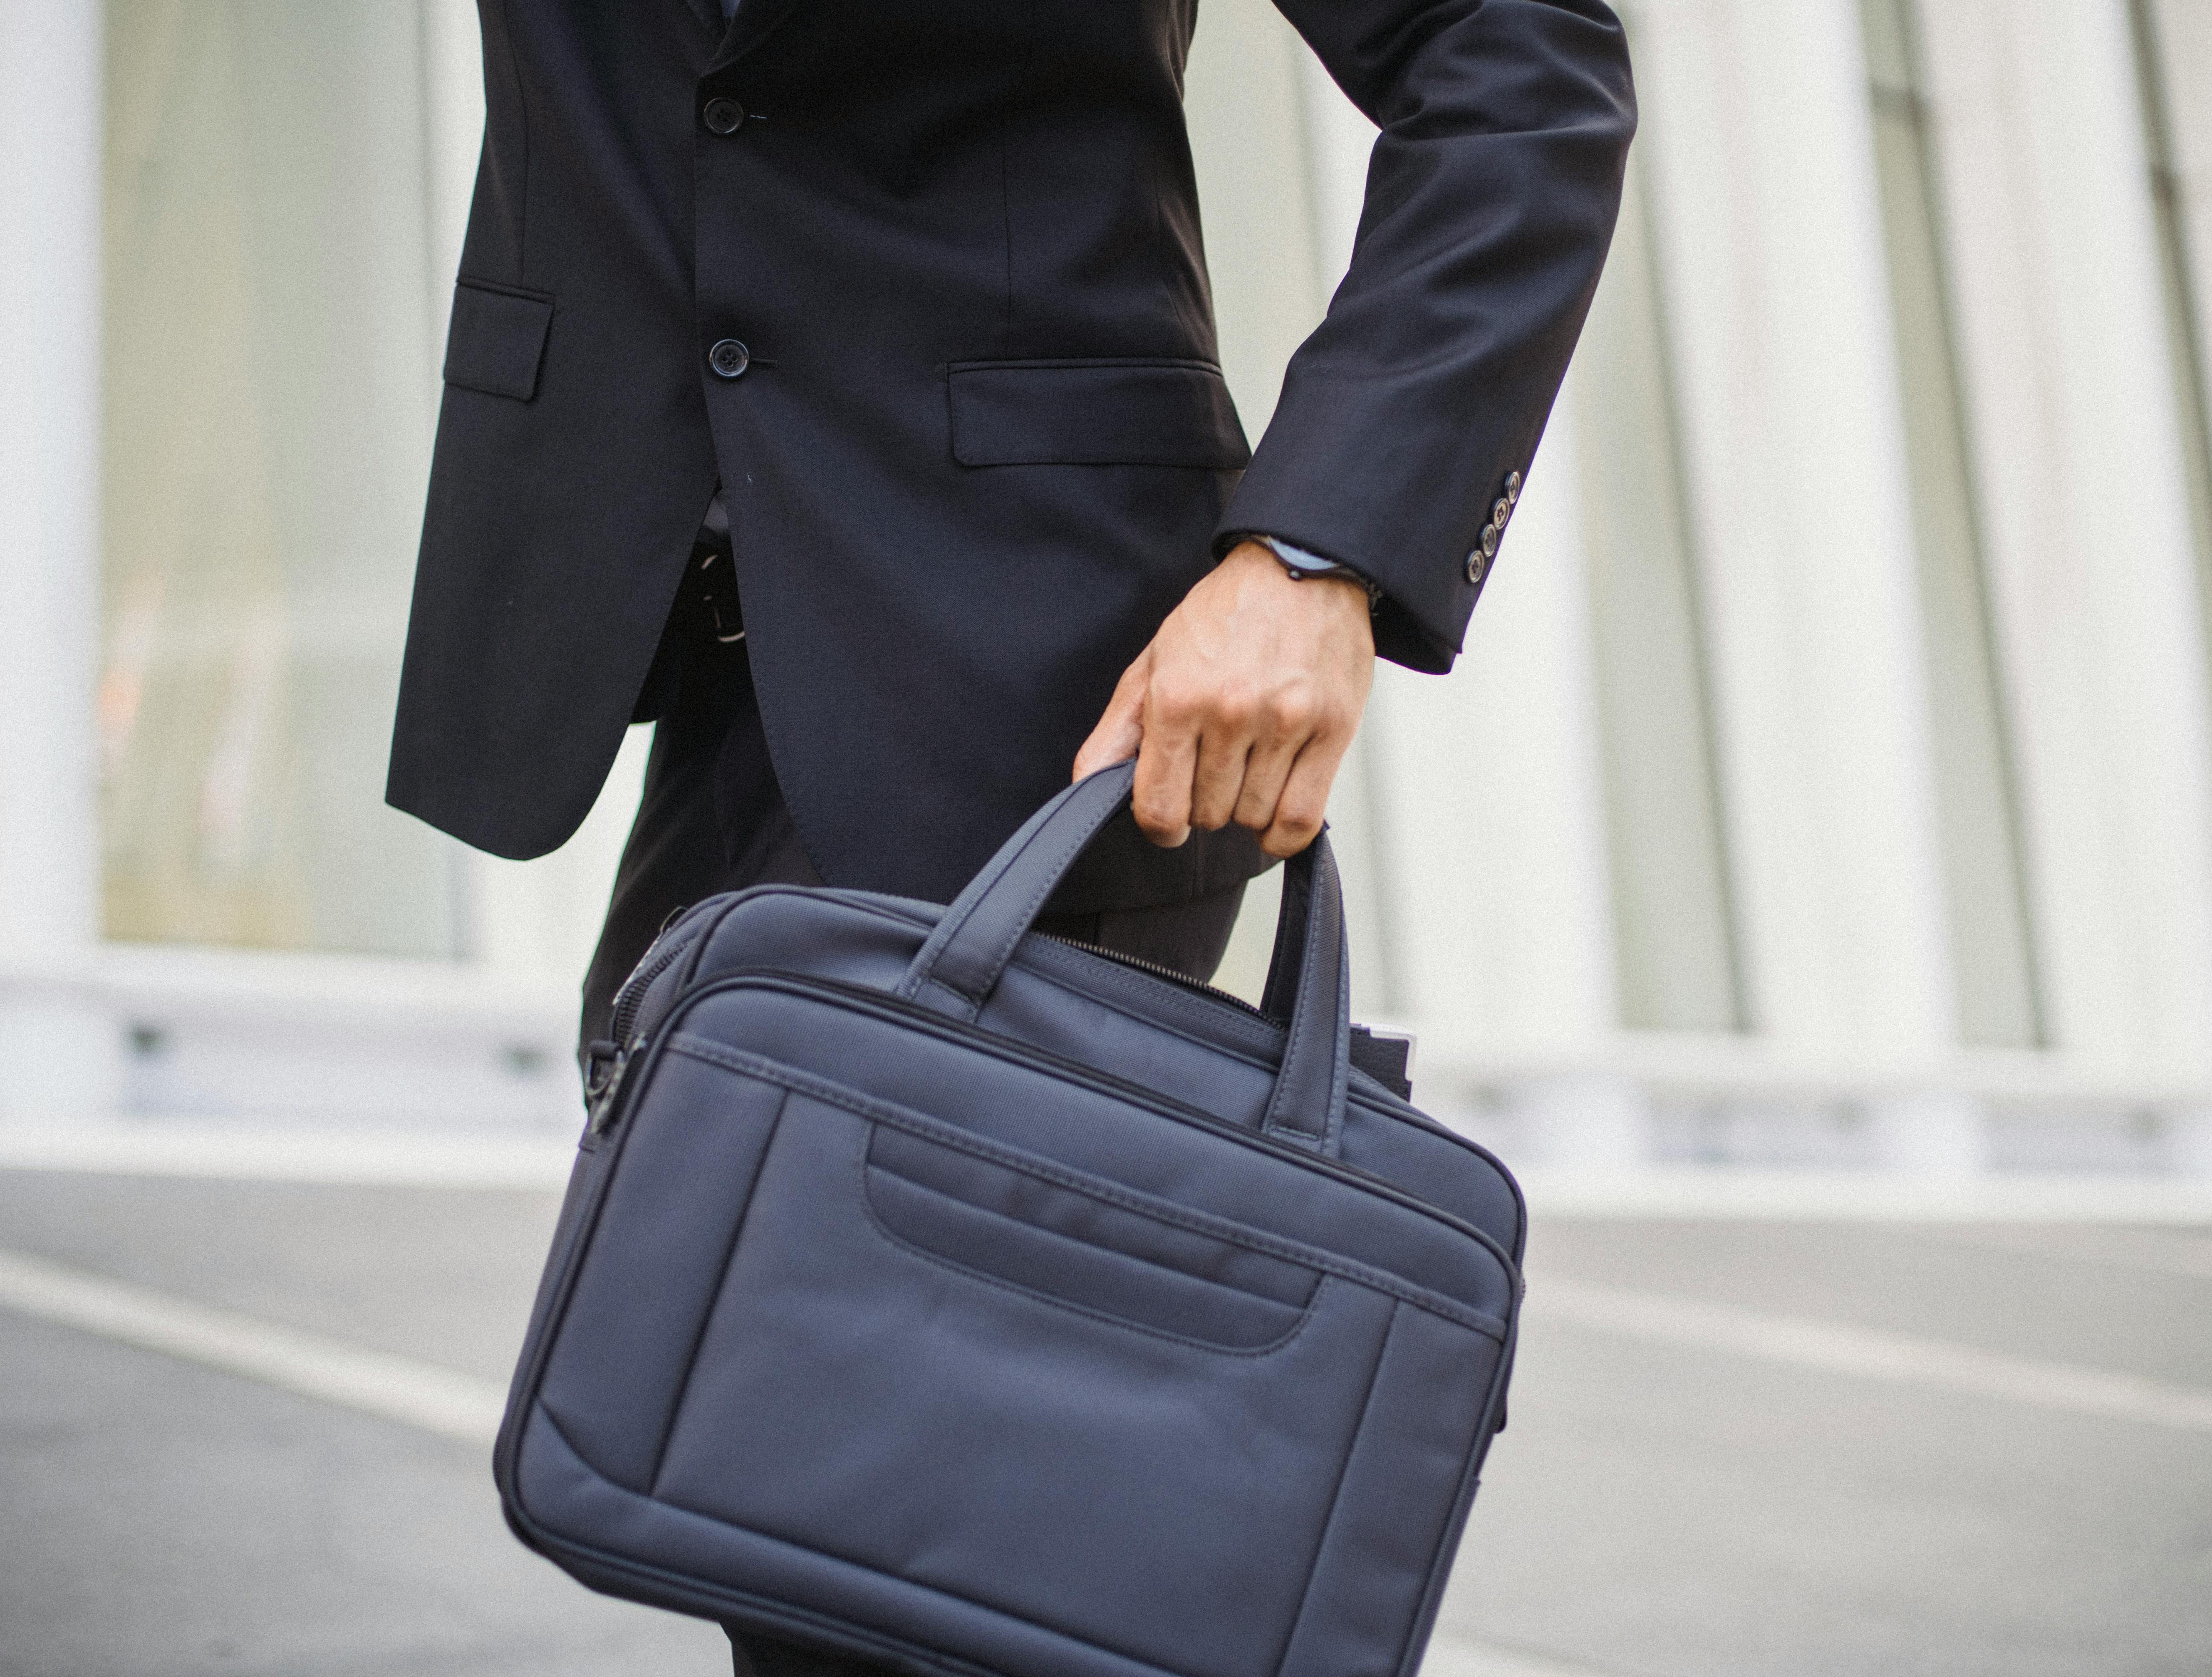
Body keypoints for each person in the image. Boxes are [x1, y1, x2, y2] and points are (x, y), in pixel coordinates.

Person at [387, 0, 1632, 1669]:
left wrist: (1327, 548)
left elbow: (1515, 59)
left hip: (1042, 667)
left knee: (911, 1504)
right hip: (685, 626)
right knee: (798, 1501)